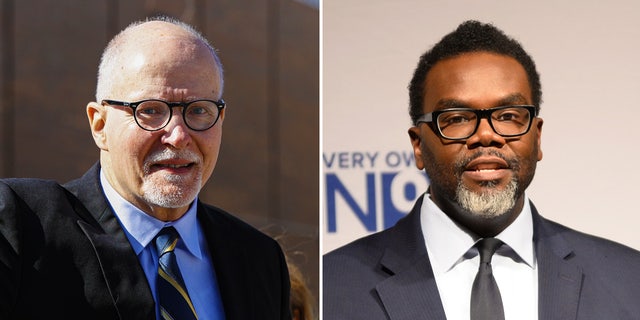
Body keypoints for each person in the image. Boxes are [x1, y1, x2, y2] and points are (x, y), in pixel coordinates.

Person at [323, 20, 640, 319]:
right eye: (458, 118)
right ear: (418, 145)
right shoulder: (332, 286)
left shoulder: (628, 279)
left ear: (537, 137)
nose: (487, 135)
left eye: (509, 116)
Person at [0, 16, 290, 319]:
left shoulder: (260, 260)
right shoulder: (23, 226)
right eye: (150, 110)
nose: (179, 136)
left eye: (199, 110)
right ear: (99, 125)